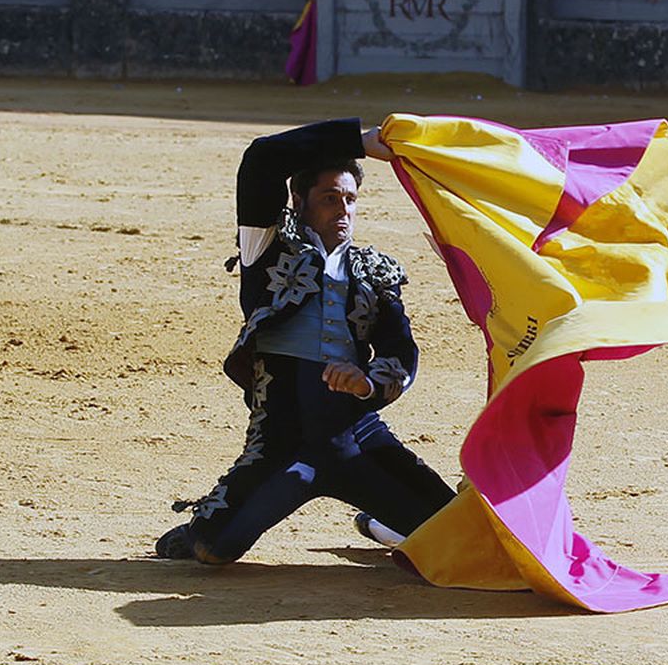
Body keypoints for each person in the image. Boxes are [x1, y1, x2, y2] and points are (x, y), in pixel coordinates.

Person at [157, 119, 456, 564]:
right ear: (299, 201)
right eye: (330, 198)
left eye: (351, 199)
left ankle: (380, 526)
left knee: (457, 537)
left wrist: (367, 383)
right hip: (283, 442)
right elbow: (262, 158)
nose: (343, 210)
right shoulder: (268, 250)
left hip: (356, 435)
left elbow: (400, 349)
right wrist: (357, 140)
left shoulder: (376, 272)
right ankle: (207, 522)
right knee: (211, 548)